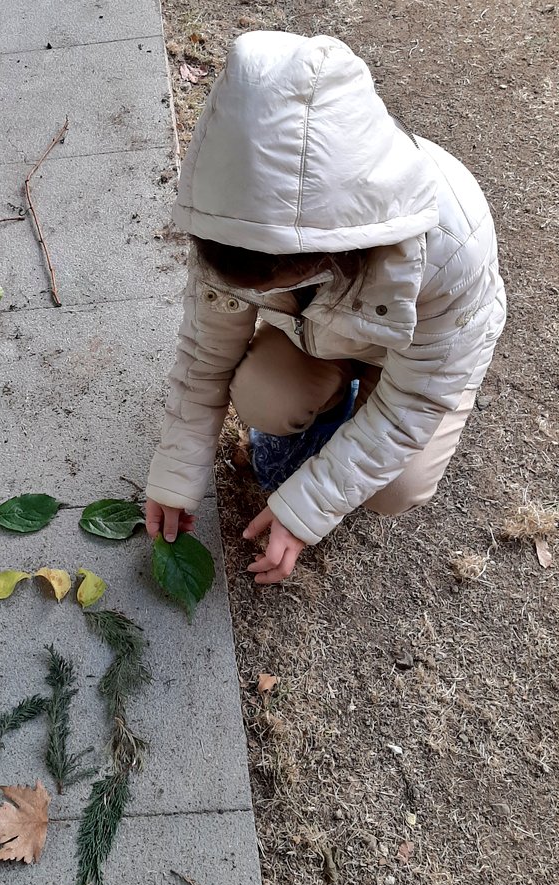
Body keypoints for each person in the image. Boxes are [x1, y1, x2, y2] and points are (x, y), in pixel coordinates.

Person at [144, 31, 506, 584]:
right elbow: (205, 354)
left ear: (342, 245)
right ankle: (340, 401)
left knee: (395, 489)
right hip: (323, 336)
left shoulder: (453, 242)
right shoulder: (226, 220)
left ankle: (360, 409)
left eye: (284, 273)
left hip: (416, 356)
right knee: (265, 398)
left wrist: (305, 511)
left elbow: (415, 396)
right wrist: (175, 472)